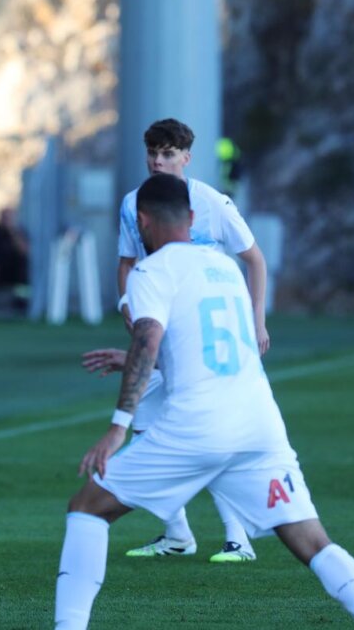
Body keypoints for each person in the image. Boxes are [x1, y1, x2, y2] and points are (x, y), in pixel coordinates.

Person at [54, 173, 354, 630]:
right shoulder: (225, 268)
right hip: (259, 426)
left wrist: (119, 426)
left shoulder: (150, 271)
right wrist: (140, 360)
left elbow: (148, 338)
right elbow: (202, 350)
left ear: (142, 220)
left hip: (197, 427)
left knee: (87, 508)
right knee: (313, 542)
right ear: (193, 219)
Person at [87, 117, 270, 563]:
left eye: (168, 153)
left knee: (210, 434)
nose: (157, 160)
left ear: (186, 158)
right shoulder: (134, 203)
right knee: (147, 428)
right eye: (152, 152)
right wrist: (129, 310)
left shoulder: (212, 203)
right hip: (161, 333)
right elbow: (127, 263)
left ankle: (237, 538)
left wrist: (257, 321)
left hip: (205, 337)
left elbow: (254, 260)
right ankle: (178, 534)